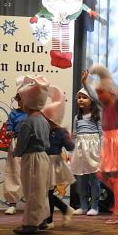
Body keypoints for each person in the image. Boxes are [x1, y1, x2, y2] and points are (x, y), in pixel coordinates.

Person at [89, 64, 118, 224]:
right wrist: (85, 82)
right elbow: (92, 96)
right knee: (101, 175)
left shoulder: (114, 104)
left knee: (114, 178)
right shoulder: (102, 105)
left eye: (101, 92)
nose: (98, 96)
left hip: (114, 141)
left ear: (110, 92)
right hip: (107, 140)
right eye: (97, 92)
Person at [13, 76, 52, 235]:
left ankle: (30, 223)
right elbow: (47, 143)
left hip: (32, 159)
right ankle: (41, 219)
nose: (20, 103)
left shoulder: (27, 122)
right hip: (43, 157)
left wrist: (17, 153)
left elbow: (22, 143)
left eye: (21, 100)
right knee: (41, 190)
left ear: (28, 101)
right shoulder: (44, 120)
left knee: (32, 191)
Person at [70, 72, 103, 216]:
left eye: (84, 97)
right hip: (80, 150)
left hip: (93, 150)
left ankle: (95, 206)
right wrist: (71, 153)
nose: (81, 100)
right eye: (79, 98)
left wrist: (102, 151)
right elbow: (74, 135)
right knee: (81, 179)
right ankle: (83, 205)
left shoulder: (96, 115)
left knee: (94, 179)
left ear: (91, 100)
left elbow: (101, 134)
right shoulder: (77, 117)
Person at [42, 92, 76, 226]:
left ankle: (50, 220)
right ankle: (64, 209)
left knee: (48, 192)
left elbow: (70, 147)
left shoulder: (61, 132)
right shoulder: (45, 130)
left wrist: (68, 139)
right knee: (46, 192)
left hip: (53, 163)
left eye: (48, 119)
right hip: (44, 161)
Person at [3, 90, 27, 215]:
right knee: (14, 172)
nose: (20, 102)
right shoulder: (14, 113)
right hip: (16, 142)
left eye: (22, 99)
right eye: (19, 99)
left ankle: (32, 202)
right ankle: (12, 203)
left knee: (32, 172)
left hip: (30, 143)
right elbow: (9, 126)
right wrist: (9, 132)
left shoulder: (35, 114)